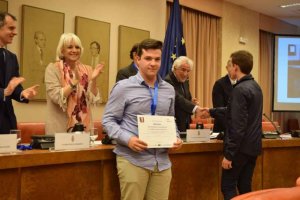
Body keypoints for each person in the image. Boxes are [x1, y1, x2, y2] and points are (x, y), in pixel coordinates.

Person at [103, 39, 183, 200]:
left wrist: (176, 137)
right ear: (137, 59)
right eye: (148, 58)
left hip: (161, 161)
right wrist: (128, 139)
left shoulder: (168, 89)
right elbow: (108, 121)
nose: (153, 63)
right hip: (133, 160)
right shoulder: (123, 87)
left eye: (157, 59)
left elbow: (170, 119)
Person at [208, 50, 263, 200]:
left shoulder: (239, 89)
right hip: (253, 147)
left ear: (236, 67)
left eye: (230, 65)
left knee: (228, 186)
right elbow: (236, 112)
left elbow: (237, 125)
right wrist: (211, 111)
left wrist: (229, 155)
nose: (229, 69)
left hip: (239, 149)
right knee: (245, 187)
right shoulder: (256, 86)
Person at [44, 33, 104, 134]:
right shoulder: (53, 68)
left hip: (84, 129)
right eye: (70, 47)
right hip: (60, 129)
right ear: (62, 50)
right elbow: (56, 96)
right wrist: (74, 83)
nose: (74, 50)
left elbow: (93, 98)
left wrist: (94, 79)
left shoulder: (87, 69)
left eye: (77, 47)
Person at [0, 12, 39, 134]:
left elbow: (13, 88)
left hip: (7, 123)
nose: (15, 32)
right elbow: (7, 90)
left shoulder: (11, 57)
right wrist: (4, 92)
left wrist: (22, 93)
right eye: (11, 28)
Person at [164, 56, 201, 132]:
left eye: (188, 71)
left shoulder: (185, 81)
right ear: (174, 68)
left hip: (185, 123)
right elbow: (178, 99)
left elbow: (186, 98)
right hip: (173, 124)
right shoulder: (168, 81)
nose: (185, 74)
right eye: (183, 70)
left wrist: (191, 102)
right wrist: (195, 108)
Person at [211, 60, 236, 133]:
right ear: (227, 68)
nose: (234, 69)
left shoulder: (241, 83)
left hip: (238, 130)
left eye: (236, 67)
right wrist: (231, 128)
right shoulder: (220, 84)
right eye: (232, 66)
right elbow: (219, 109)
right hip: (223, 128)